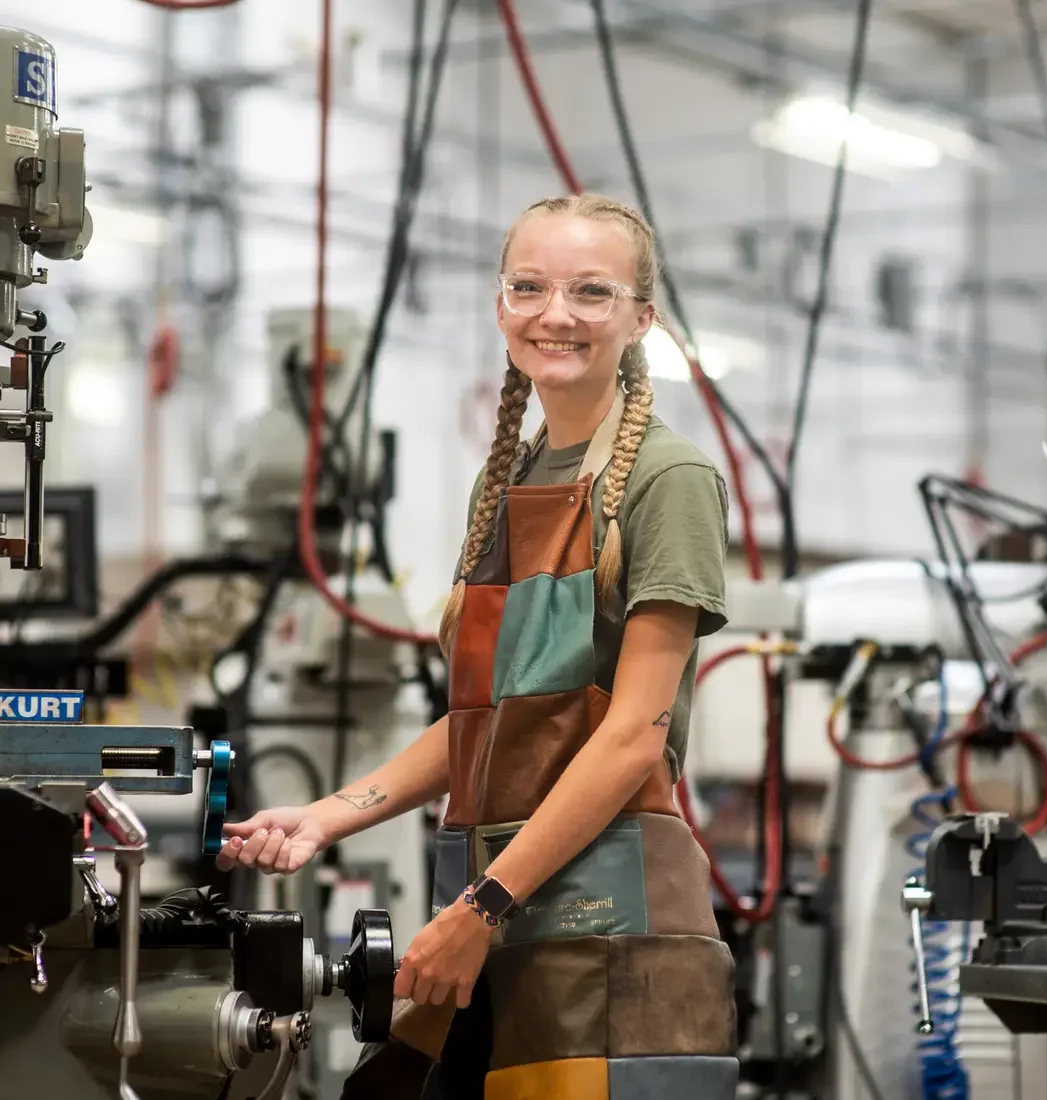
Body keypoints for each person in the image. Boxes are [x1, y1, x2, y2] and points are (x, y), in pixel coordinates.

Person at [217, 193, 738, 1100]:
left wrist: (483, 906)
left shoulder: (670, 478)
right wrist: (329, 815)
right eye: (529, 287)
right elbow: (483, 723)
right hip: (497, 907)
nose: (556, 314)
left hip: (607, 925)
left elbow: (631, 738)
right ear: (502, 308)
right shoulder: (508, 483)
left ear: (641, 319)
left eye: (591, 292)